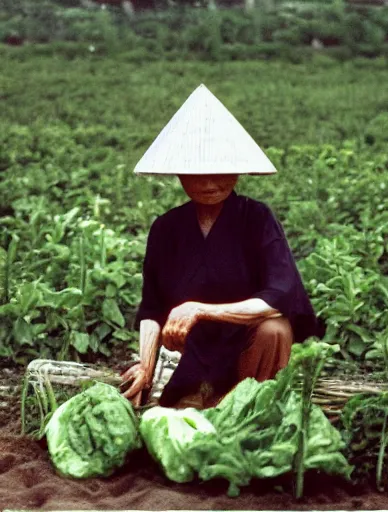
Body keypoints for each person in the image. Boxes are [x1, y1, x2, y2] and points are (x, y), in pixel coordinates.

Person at [120, 84, 323, 410]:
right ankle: (190, 394)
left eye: (221, 172)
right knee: (169, 400)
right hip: (187, 351)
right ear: (181, 174)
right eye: (198, 174)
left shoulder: (257, 218)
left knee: (274, 330)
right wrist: (145, 364)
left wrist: (200, 309)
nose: (210, 183)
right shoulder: (166, 228)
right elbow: (152, 309)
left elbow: (279, 297)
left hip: (246, 345)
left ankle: (246, 406)